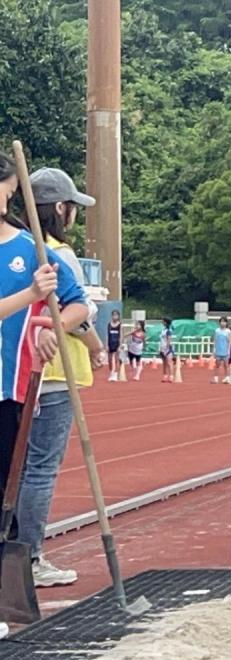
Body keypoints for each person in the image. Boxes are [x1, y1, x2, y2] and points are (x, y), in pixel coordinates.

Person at [0, 153, 89, 594]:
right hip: (21, 385)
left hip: (12, 386)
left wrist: (49, 325)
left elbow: (76, 305)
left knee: (12, 482)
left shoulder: (29, 248)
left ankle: (17, 568)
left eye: (9, 193)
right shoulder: (36, 258)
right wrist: (31, 295)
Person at [18, 167, 106, 587]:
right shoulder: (58, 255)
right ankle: (31, 557)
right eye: (72, 207)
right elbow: (77, 313)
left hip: (16, 373)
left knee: (16, 468)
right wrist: (96, 346)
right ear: (58, 208)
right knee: (39, 468)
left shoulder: (14, 246)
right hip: (52, 372)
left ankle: (18, 554)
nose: (74, 214)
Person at [213, 317, 231, 384]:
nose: (223, 323)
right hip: (218, 350)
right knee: (217, 365)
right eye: (221, 321)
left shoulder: (228, 331)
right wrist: (214, 349)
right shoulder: (217, 330)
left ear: (226, 323)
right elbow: (215, 340)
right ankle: (216, 378)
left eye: (224, 322)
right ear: (219, 322)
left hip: (225, 351)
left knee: (226, 365)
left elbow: (229, 341)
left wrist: (228, 350)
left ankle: (227, 378)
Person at [158, 317, 176, 382]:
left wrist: (167, 348)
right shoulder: (163, 330)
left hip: (168, 349)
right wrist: (160, 348)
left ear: (165, 322)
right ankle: (165, 376)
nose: (162, 322)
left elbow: (169, 340)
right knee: (164, 363)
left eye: (163, 321)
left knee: (169, 363)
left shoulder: (168, 331)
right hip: (162, 348)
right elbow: (162, 340)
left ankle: (171, 376)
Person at [107, 309, 122, 382]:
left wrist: (120, 345)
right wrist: (106, 344)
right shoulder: (109, 324)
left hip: (116, 343)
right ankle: (111, 373)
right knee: (109, 360)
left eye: (116, 315)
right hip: (110, 343)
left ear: (118, 316)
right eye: (113, 315)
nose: (115, 317)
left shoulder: (120, 325)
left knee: (116, 359)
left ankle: (115, 374)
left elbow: (121, 335)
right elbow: (107, 335)